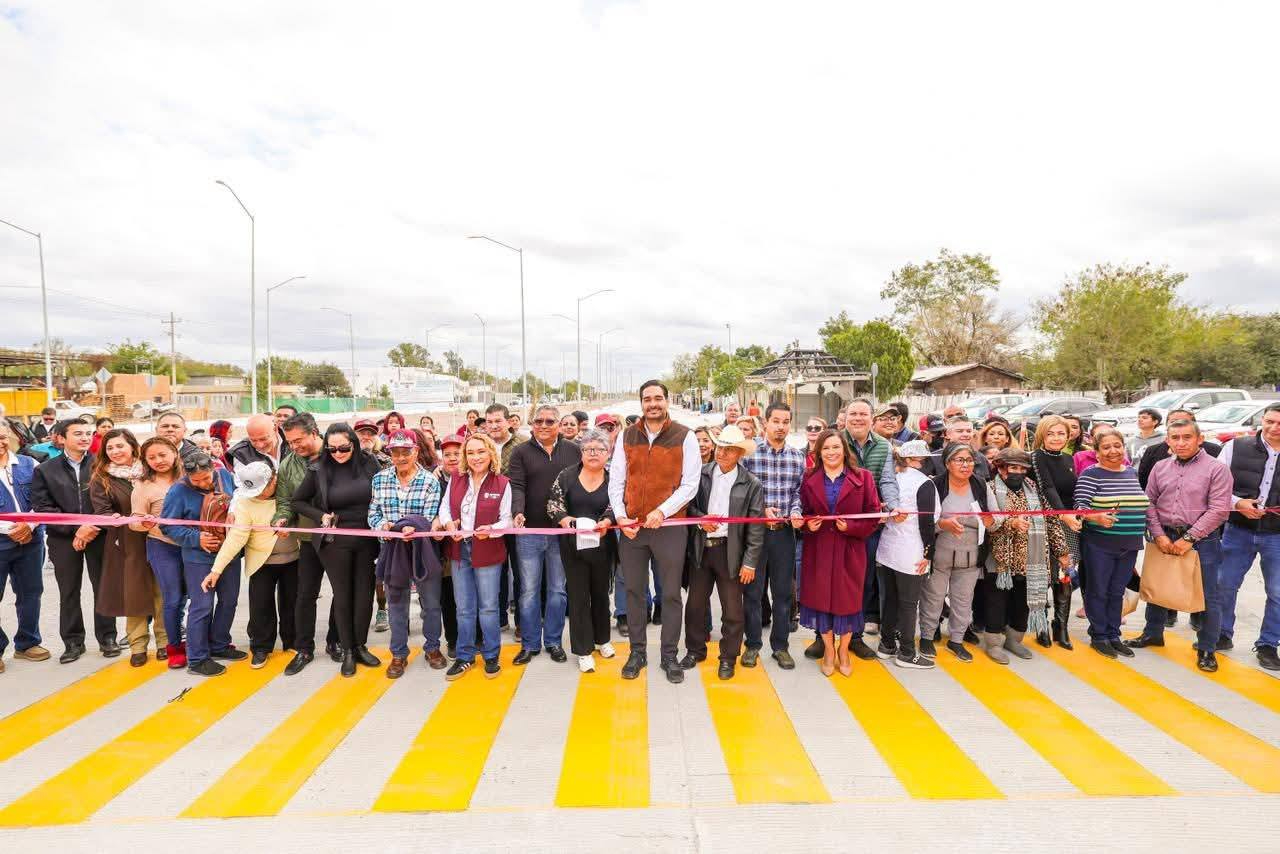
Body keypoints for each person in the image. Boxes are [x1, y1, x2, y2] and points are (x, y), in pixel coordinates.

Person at [609, 380, 699, 684]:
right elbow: (617, 480)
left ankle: (670, 654)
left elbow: (690, 485)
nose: (653, 404)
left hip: (669, 527)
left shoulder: (684, 436)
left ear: (667, 401)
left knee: (671, 594)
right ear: (641, 404)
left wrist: (662, 511)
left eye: (658, 398)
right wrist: (621, 517)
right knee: (634, 591)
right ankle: (637, 652)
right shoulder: (626, 436)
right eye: (647, 399)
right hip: (633, 529)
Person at [1124, 418, 1231, 670]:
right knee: (1158, 587)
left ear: (1199, 439)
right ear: (1167, 440)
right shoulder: (1160, 467)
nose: (1181, 443)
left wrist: (1189, 538)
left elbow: (1219, 510)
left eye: (1187, 437)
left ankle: (1207, 648)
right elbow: (1148, 502)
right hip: (1163, 535)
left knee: (1208, 596)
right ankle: (1153, 633)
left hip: (1201, 540)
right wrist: (1158, 534)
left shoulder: (1217, 469)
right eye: (1175, 438)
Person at [293, 423, 383, 677]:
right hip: (335, 542)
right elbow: (297, 501)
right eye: (332, 449)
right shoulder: (319, 468)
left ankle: (360, 645)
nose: (339, 453)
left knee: (365, 594)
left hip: (367, 538)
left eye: (344, 447)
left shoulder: (369, 463)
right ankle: (348, 651)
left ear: (353, 444)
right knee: (343, 595)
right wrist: (320, 515)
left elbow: (382, 493)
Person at [31, 419, 121, 663]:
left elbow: (113, 503)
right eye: (78, 433)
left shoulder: (104, 466)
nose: (85, 438)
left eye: (88, 433)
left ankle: (108, 637)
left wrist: (92, 526)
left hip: (99, 535)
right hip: (63, 539)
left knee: (103, 587)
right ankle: (72, 642)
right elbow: (42, 507)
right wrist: (75, 529)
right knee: (68, 590)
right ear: (61, 438)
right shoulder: (45, 470)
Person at [681, 425, 763, 680]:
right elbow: (687, 508)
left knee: (732, 610)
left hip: (730, 552)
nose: (722, 453)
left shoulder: (750, 483)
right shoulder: (702, 474)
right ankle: (695, 650)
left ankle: (728, 657)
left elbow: (755, 528)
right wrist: (700, 520)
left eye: (728, 450)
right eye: (720, 447)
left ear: (739, 453)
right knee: (695, 605)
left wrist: (749, 563)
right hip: (701, 550)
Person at [799, 428, 883, 676]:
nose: (831, 452)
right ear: (818, 452)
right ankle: (828, 649)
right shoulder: (809, 478)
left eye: (836, 447)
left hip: (850, 550)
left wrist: (853, 527)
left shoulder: (863, 478)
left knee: (848, 602)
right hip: (819, 549)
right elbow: (802, 511)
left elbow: (873, 515)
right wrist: (807, 524)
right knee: (821, 601)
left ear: (845, 450)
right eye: (826, 448)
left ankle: (844, 650)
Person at [980, 448, 1070, 664]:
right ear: (1001, 469)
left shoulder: (1034, 490)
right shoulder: (989, 489)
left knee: (1022, 603)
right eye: (1013, 468)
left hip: (1032, 559)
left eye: (1022, 468)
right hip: (1000, 561)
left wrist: (1062, 551)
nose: (1018, 473)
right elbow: (987, 523)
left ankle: (1014, 640)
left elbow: (1051, 521)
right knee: (996, 602)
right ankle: (993, 644)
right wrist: (1011, 523)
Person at [203, 458, 294, 669]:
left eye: (263, 489)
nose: (260, 495)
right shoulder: (244, 502)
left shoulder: (287, 493)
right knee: (261, 605)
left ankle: (293, 641)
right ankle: (261, 647)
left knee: (292, 603)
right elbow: (236, 538)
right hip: (261, 562)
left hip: (294, 559)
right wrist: (216, 570)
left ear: (274, 480)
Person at [509, 405, 582, 666]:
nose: (543, 425)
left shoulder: (574, 451)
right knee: (528, 592)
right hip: (529, 533)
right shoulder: (520, 452)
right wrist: (517, 511)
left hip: (561, 534)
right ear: (531, 424)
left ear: (559, 424)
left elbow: (580, 485)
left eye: (549, 421)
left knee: (558, 590)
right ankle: (529, 644)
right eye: (538, 421)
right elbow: (516, 485)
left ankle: (552, 641)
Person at [436, 433, 513, 680]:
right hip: (460, 551)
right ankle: (465, 655)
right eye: (470, 453)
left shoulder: (502, 483)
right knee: (464, 608)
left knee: (489, 608)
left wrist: (492, 530)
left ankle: (491, 656)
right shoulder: (456, 479)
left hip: (488, 551)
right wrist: (449, 525)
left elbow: (507, 519)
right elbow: (445, 509)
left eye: (481, 451)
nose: (476, 457)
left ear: (491, 453)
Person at [160, 452, 244, 676]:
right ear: (186, 476)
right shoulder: (178, 490)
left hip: (228, 552)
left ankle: (219, 644)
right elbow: (167, 525)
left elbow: (239, 500)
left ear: (213, 470)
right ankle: (197, 658)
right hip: (198, 557)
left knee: (229, 601)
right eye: (196, 481)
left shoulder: (224, 476)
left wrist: (235, 516)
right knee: (202, 605)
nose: (204, 484)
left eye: (207, 478)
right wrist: (196, 538)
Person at [89, 428, 167, 668]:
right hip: (126, 542)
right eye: (109, 448)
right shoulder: (102, 478)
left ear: (133, 446)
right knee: (134, 594)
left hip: (158, 539)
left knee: (163, 592)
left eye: (120, 446)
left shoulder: (151, 472)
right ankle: (138, 645)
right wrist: (114, 517)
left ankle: (165, 642)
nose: (114, 452)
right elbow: (101, 511)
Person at [370, 429, 445, 678]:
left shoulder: (430, 481)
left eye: (406, 452)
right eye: (395, 452)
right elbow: (374, 513)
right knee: (396, 604)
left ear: (415, 451)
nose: (400, 457)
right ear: (389, 453)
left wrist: (408, 526)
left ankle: (433, 648)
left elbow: (428, 516)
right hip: (392, 550)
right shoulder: (379, 480)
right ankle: (399, 654)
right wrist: (383, 526)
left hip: (422, 550)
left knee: (432, 604)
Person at [741, 403, 806, 670]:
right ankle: (752, 645)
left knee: (782, 594)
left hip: (784, 535)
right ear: (765, 422)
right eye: (776, 421)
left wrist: (795, 511)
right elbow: (740, 492)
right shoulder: (749, 454)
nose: (781, 426)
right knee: (753, 593)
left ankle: (780, 647)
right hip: (755, 535)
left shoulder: (797, 457)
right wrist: (759, 510)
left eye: (786, 421)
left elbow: (799, 493)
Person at [1073, 428, 1149, 659]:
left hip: (1130, 543)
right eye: (1106, 447)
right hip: (1100, 543)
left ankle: (1114, 635)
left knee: (1117, 591)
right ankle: (1099, 636)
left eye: (1117, 445)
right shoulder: (1091, 474)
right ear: (1096, 452)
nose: (1113, 451)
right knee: (1098, 590)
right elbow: (1079, 507)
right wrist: (1095, 517)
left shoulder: (1131, 473)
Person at [547, 428, 617, 673]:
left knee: (600, 594)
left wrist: (607, 521)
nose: (593, 453)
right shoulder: (566, 476)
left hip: (602, 545)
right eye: (588, 449)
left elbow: (617, 505)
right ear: (581, 452)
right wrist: (565, 520)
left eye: (599, 449)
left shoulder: (613, 479)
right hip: (573, 546)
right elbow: (553, 504)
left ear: (608, 453)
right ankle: (583, 649)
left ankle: (603, 639)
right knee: (578, 597)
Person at [917, 443, 996, 662]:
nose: (965, 465)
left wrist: (991, 521)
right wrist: (944, 524)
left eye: (969, 460)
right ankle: (926, 637)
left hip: (971, 556)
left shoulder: (981, 485)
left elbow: (997, 518)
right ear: (947, 463)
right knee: (932, 597)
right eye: (959, 460)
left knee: (963, 599)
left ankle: (957, 640)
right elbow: (924, 522)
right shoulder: (934, 485)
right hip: (940, 554)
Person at [1216, 402, 1280, 670]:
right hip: (1238, 530)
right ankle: (1220, 633)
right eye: (1270, 421)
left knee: (1278, 592)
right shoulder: (1235, 447)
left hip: (1276, 536)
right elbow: (1215, 485)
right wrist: (1238, 503)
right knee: (1224, 584)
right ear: (1261, 421)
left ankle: (1267, 644)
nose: (1274, 428)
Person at [831, 398, 897, 656]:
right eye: (853, 414)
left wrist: (892, 506)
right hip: (835, 525)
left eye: (863, 414)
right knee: (831, 580)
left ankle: (854, 637)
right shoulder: (834, 441)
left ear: (873, 419)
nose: (858, 418)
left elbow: (888, 481)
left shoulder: (884, 446)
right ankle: (824, 636)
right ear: (845, 417)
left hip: (868, 527)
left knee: (862, 582)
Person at [275, 413, 340, 674]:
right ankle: (304, 648)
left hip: (338, 536)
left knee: (341, 592)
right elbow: (285, 501)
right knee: (305, 595)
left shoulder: (338, 452)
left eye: (298, 440)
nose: (294, 446)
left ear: (315, 433)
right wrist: (281, 518)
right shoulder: (288, 464)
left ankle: (335, 641)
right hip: (306, 537)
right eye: (289, 442)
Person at [873, 440, 935, 669]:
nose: (925, 463)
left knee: (889, 600)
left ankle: (886, 645)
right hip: (912, 550)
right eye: (923, 459)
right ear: (912, 460)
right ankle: (907, 652)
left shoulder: (890, 480)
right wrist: (929, 553)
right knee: (909, 604)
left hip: (887, 548)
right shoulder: (924, 484)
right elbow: (928, 522)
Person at [129, 436, 186, 668]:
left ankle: (200, 640)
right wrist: (144, 523)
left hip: (194, 545)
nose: (158, 461)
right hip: (162, 546)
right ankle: (172, 646)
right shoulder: (143, 486)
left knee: (198, 598)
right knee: (171, 598)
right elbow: (134, 521)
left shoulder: (188, 478)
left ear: (174, 452)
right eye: (151, 457)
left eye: (163, 454)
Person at [0, 419, 48, 670]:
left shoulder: (30, 465)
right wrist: (11, 529)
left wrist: (28, 526)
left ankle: (27, 643)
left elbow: (43, 500)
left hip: (30, 541)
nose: (1, 443)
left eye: (3, 437)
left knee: (31, 593)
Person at [1032, 415, 1083, 649]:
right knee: (1043, 576)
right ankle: (1041, 625)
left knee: (1065, 576)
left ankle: (1060, 627)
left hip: (1068, 524)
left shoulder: (1068, 458)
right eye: (1050, 433)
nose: (1056, 438)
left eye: (1061, 433)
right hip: (1044, 524)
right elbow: (1046, 487)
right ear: (1042, 434)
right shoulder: (1036, 457)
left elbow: (1073, 491)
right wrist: (1063, 515)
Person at [1138, 407, 1222, 489]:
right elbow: (1144, 483)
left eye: (1185, 422)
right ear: (1166, 425)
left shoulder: (1213, 451)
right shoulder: (1153, 451)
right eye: (1173, 422)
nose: (1179, 425)